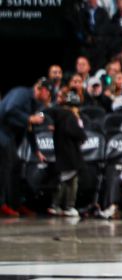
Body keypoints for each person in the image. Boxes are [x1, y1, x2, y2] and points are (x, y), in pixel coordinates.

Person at [0, 78, 50, 217]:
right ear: (42, 89)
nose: (48, 97)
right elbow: (10, 109)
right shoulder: (22, 93)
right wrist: (28, 118)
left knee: (16, 166)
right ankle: (1, 204)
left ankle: (14, 203)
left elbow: (30, 128)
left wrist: (36, 151)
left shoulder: (34, 104)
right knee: (5, 167)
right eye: (48, 93)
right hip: (2, 134)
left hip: (9, 137)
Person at [46, 89, 87, 218]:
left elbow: (44, 114)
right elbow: (76, 132)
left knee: (65, 179)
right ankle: (68, 206)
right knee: (71, 180)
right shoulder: (69, 116)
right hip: (70, 155)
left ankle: (56, 205)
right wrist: (83, 135)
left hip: (62, 153)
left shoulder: (58, 114)